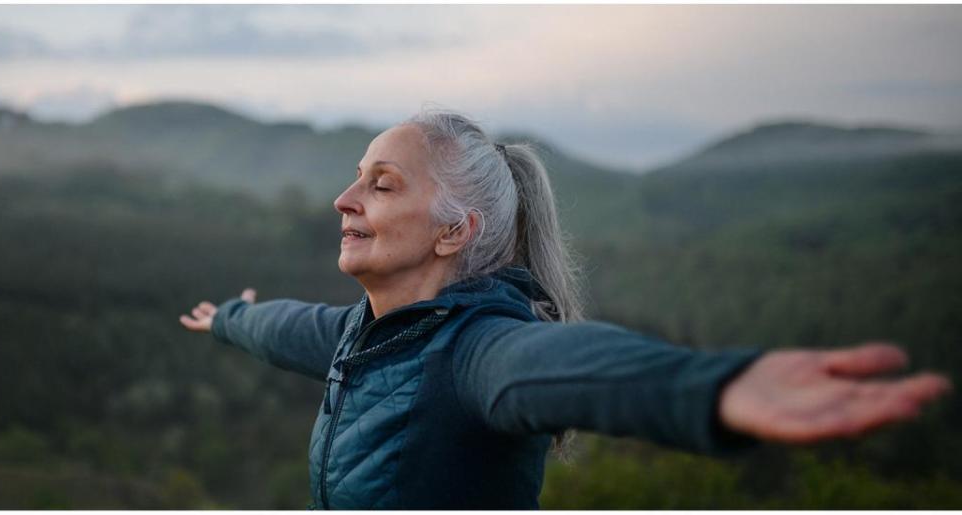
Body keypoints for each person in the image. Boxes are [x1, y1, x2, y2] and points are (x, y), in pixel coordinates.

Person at [179, 110, 952, 509]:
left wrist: (713, 388)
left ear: (456, 230)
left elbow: (567, 366)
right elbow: (289, 329)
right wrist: (233, 320)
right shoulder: (362, 333)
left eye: (381, 184)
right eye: (356, 179)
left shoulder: (480, 351)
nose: (344, 200)